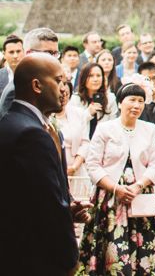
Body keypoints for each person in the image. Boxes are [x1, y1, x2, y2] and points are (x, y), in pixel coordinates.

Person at [0, 54, 89, 276]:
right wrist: (69, 259)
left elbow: (28, 196)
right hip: (35, 258)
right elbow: (48, 206)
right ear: (37, 86)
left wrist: (67, 210)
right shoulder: (32, 134)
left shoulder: (11, 122)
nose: (64, 89)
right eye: (58, 81)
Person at [78, 82, 155, 275]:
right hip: (110, 198)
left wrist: (139, 185)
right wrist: (116, 188)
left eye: (141, 101)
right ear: (120, 103)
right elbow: (93, 164)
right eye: (132, 100)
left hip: (140, 198)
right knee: (113, 251)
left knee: (145, 252)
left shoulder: (149, 129)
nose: (136, 105)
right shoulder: (105, 128)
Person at [0, 26, 61, 118]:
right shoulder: (16, 90)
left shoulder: (44, 82)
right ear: (29, 54)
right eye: (48, 53)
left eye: (55, 54)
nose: (54, 59)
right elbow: (13, 126)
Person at [54, 80, 90, 198]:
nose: (63, 97)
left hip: (76, 168)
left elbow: (85, 143)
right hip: (54, 168)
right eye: (61, 93)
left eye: (67, 94)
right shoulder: (46, 115)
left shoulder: (79, 113)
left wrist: (74, 167)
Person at [70, 62, 118, 138]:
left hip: (104, 140)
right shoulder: (75, 99)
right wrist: (88, 113)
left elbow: (113, 125)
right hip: (82, 141)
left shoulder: (110, 98)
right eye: (91, 76)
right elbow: (73, 126)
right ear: (84, 78)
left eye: (98, 75)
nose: (95, 79)